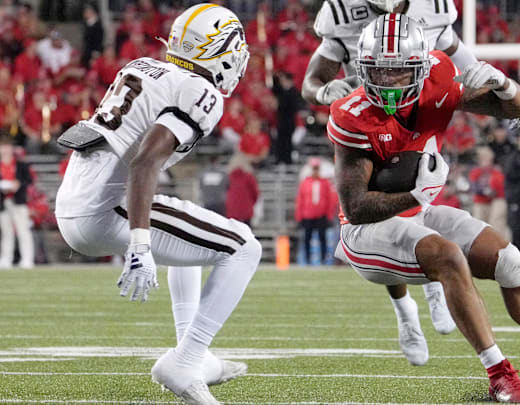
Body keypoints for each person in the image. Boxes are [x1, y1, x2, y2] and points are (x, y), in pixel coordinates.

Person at [330, 14, 520, 403]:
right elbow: (358, 207)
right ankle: (500, 375)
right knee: (447, 255)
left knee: (508, 259)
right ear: (363, 69)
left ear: (419, 67)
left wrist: (502, 82)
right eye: (379, 72)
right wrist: (417, 195)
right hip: (365, 232)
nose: (389, 82)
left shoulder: (437, 81)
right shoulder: (353, 115)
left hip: (415, 212)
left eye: (400, 72)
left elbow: (514, 108)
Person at [54, 5, 260, 405]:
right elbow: (146, 160)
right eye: (233, 50)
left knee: (190, 235)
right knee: (244, 247)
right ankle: (187, 359)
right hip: (105, 209)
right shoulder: (200, 91)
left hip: (74, 203)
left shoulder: (144, 66)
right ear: (216, 50)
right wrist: (140, 243)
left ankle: (194, 358)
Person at [302, 0, 477, 356]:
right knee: (379, 214)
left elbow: (463, 60)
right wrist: (323, 91)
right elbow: (311, 80)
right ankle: (405, 312)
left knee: (417, 198)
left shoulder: (434, 8)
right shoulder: (342, 11)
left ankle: (430, 288)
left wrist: (491, 85)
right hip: (367, 121)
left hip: (417, 112)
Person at [0, 137, 34, 269]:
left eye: (7, 147)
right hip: (3, 201)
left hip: (19, 201)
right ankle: (6, 259)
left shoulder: (20, 164)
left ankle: (27, 259)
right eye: (3, 147)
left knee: (23, 230)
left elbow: (29, 180)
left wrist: (18, 184)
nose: (5, 150)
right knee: (6, 232)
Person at [295, 157, 336, 265]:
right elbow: (300, 200)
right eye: (314, 168)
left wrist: (329, 214)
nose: (315, 171)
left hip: (321, 215)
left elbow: (329, 200)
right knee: (307, 238)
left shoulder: (324, 183)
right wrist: (299, 216)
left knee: (323, 238)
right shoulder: (305, 183)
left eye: (317, 168)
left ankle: (323, 259)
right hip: (307, 215)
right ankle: (307, 259)